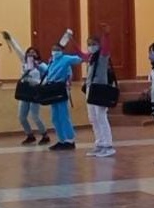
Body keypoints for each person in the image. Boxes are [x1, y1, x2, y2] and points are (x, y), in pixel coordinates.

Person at [2, 31, 50, 146]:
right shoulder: (24, 62)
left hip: (35, 91)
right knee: (22, 116)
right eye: (29, 52)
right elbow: (17, 49)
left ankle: (44, 134)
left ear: (37, 55)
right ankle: (30, 135)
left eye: (34, 53)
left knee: (34, 115)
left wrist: (40, 84)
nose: (31, 54)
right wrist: (10, 39)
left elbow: (49, 75)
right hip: (24, 90)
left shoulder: (41, 65)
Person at [40, 30, 83, 151]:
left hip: (60, 88)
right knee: (55, 117)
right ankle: (61, 139)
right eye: (53, 49)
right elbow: (49, 73)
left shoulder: (66, 58)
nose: (55, 51)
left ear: (62, 51)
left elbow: (79, 59)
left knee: (63, 115)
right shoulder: (52, 61)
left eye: (57, 49)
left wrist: (74, 44)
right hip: (51, 88)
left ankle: (70, 139)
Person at [77, 25, 115, 158]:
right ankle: (99, 143)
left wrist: (106, 35)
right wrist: (71, 41)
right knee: (93, 118)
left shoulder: (102, 56)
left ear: (99, 45)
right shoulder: (91, 57)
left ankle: (108, 145)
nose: (90, 46)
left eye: (93, 44)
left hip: (100, 88)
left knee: (101, 116)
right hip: (90, 88)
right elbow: (81, 54)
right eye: (88, 44)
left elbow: (106, 47)